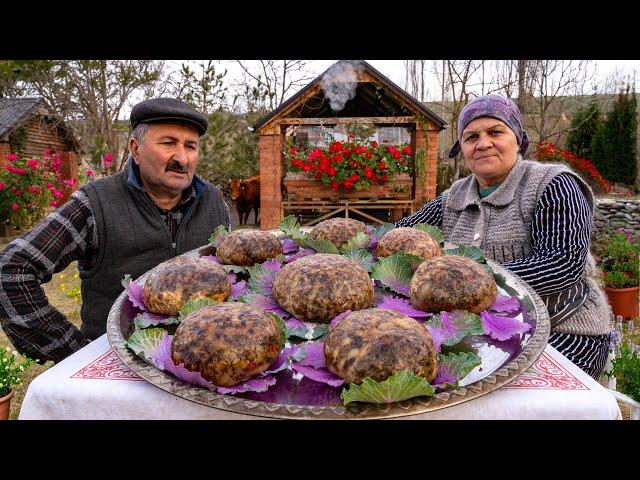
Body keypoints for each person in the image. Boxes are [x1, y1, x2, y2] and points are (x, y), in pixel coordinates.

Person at [396, 94, 613, 380]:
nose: (483, 143)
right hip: (482, 335)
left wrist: (464, 282)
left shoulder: (553, 185)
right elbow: (398, 237)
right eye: (471, 136)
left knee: (504, 393)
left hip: (565, 327)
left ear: (517, 139)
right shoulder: (454, 199)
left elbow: (562, 266)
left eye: (495, 132)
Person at [0, 98, 230, 363]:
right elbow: (11, 270)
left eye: (190, 146)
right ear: (136, 148)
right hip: (115, 368)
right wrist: (74, 353)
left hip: (200, 364)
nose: (181, 158)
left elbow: (233, 280)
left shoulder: (214, 202)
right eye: (168, 143)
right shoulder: (95, 204)